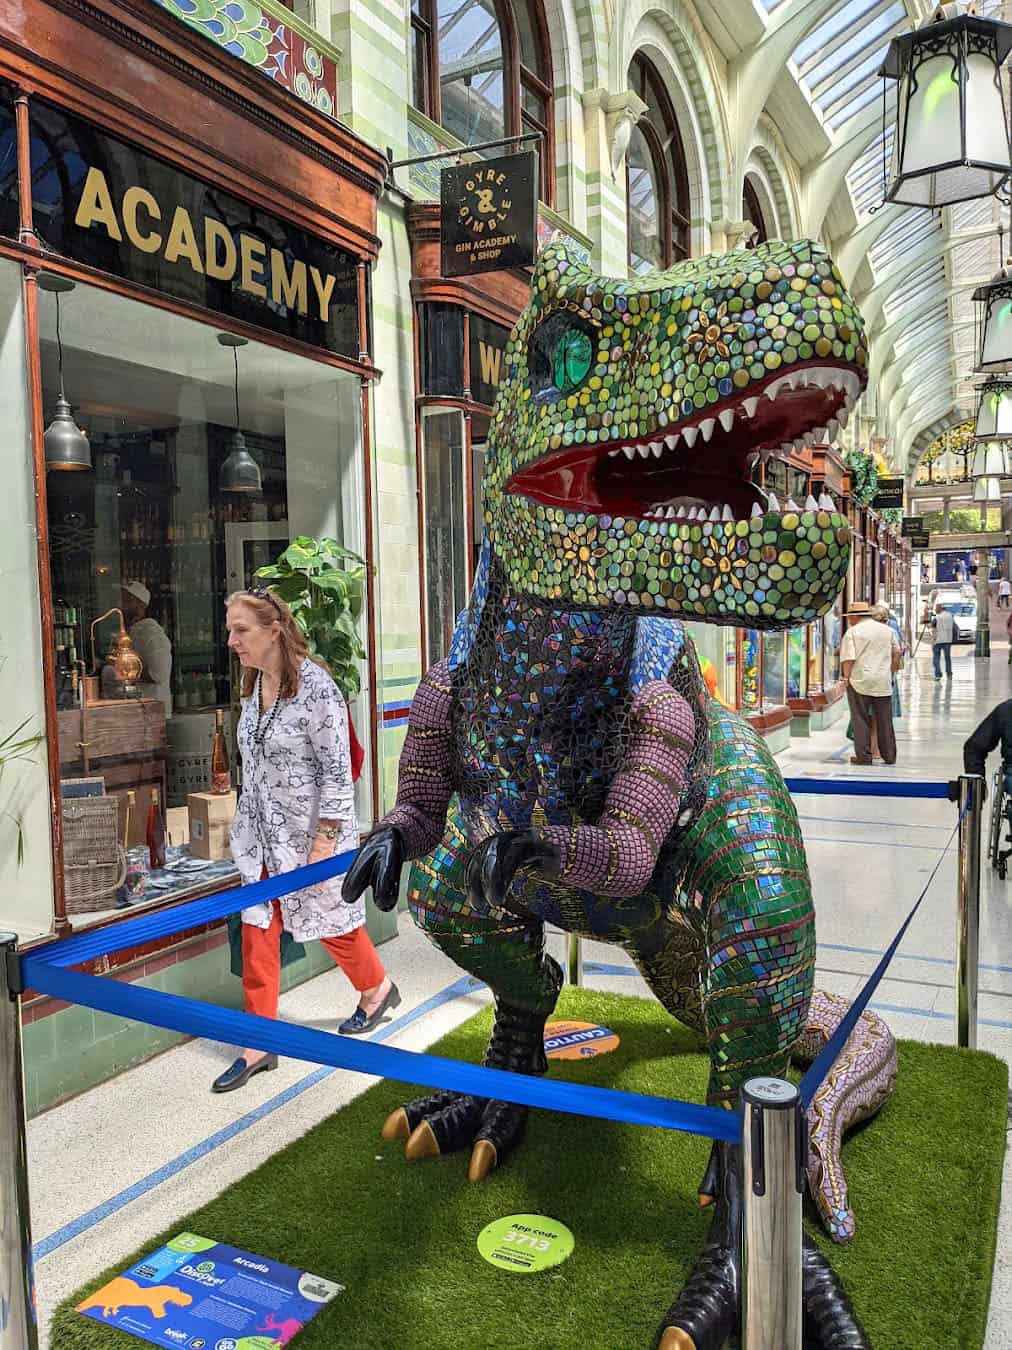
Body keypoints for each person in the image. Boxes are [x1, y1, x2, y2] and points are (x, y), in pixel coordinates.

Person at [212, 588, 399, 1093]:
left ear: (274, 629)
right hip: (261, 836)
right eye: (230, 630)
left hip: (311, 836)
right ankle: (258, 1042)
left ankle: (376, 989)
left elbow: (338, 772)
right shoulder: (253, 685)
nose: (231, 640)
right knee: (259, 926)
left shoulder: (317, 688)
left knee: (332, 920)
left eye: (240, 630)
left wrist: (324, 842)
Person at [840, 599, 900, 766]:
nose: (848, 620)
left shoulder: (852, 632)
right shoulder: (887, 631)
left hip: (860, 681)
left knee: (860, 719)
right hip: (882, 680)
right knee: (884, 719)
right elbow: (897, 651)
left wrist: (846, 678)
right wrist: (891, 670)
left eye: (850, 617)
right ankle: (889, 755)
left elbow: (848, 659)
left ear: (856, 616)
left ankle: (863, 757)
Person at [115, 580, 173, 715]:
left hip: (153, 713)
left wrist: (126, 668)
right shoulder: (130, 632)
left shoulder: (153, 633)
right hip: (135, 711)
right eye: (122, 600)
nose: (121, 605)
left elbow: (159, 674)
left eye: (127, 601)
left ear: (141, 605)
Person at [931, 600, 955, 680]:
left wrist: (933, 640)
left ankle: (938, 674)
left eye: (936, 609)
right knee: (947, 657)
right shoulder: (950, 616)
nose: (935, 611)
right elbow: (954, 627)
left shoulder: (937, 617)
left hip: (938, 640)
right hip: (948, 640)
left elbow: (933, 627)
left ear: (940, 609)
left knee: (936, 658)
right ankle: (949, 673)